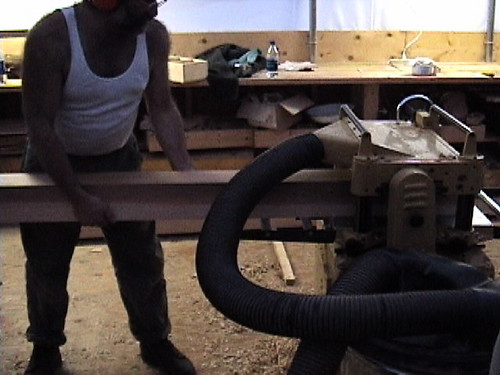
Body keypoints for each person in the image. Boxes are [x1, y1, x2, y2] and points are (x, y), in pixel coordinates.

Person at [20, 0, 196, 374]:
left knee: (142, 259)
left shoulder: (152, 37)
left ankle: (154, 341)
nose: (153, 10)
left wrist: (186, 171)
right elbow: (40, 126)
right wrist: (76, 197)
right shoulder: (51, 37)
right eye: (144, 1)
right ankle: (45, 347)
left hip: (120, 158)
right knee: (46, 266)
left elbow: (162, 107)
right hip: (54, 164)